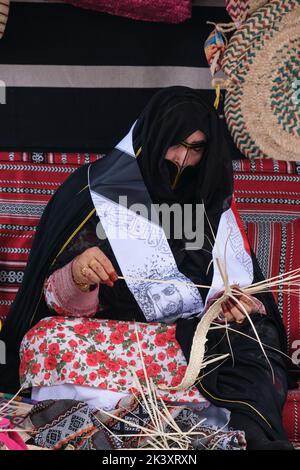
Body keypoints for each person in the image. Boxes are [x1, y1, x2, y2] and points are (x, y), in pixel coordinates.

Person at [0, 87, 294, 450]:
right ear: (151, 137)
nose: (183, 159)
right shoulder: (94, 192)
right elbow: (53, 303)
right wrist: (79, 275)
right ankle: (147, 423)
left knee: (255, 344)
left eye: (197, 147)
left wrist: (239, 307)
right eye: (175, 144)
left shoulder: (210, 199)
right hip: (112, 344)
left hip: (192, 350)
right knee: (46, 339)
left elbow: (249, 290)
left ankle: (166, 424)